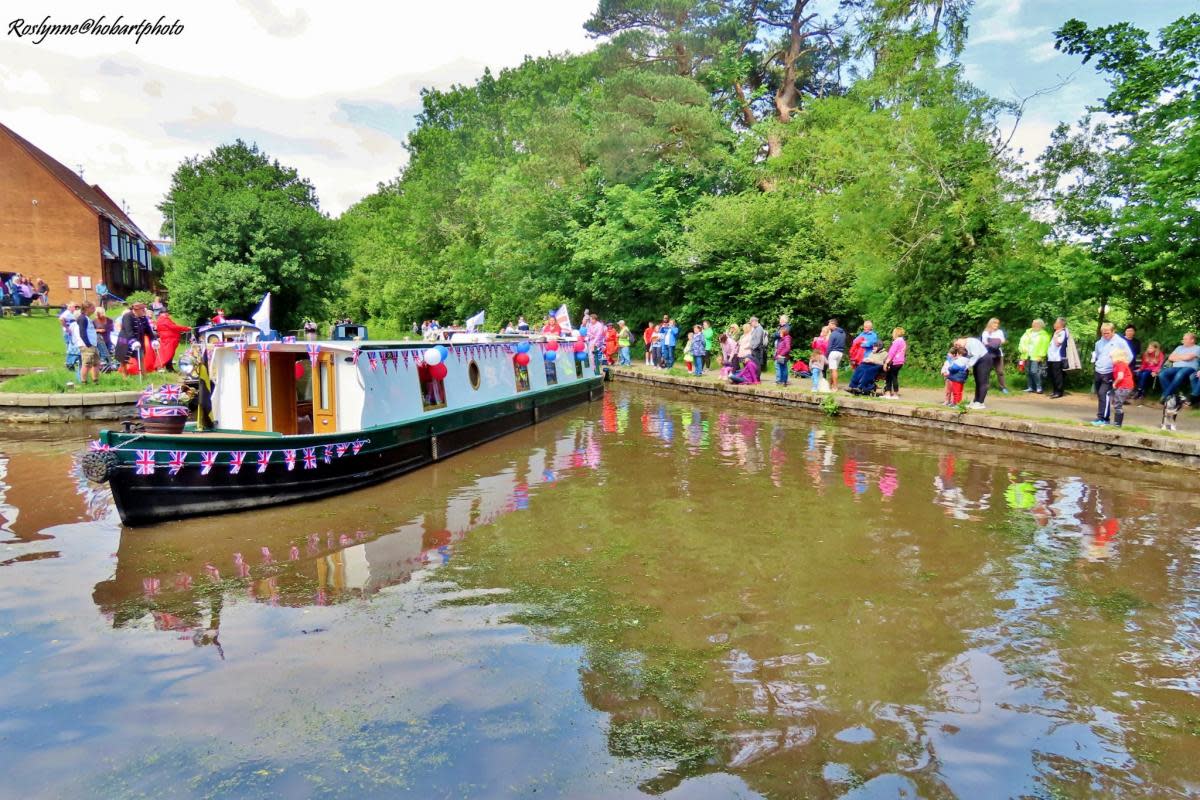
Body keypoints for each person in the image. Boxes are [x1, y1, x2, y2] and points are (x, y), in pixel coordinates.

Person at [1090, 323, 1133, 426]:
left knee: (1103, 393)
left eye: (1107, 333)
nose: (1105, 335)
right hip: (1099, 370)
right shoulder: (1099, 343)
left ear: (1113, 331)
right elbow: (1097, 355)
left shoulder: (1120, 342)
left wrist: (1120, 368)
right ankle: (1103, 416)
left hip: (1109, 372)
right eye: (1103, 333)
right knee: (1100, 395)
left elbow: (1129, 356)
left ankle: (1103, 418)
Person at [1158, 332, 1200, 403]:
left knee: (1180, 374)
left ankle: (1166, 395)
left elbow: (1188, 357)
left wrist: (1178, 357)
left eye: (1185, 339)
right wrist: (1184, 357)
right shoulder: (1179, 347)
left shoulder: (1197, 348)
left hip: (1189, 368)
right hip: (1176, 367)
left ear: (1192, 340)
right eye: (1183, 339)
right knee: (1162, 374)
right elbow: (1170, 358)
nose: (1183, 340)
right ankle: (1173, 396)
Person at [116, 302, 157, 374]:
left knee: (140, 357)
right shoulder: (127, 316)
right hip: (126, 340)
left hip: (138, 340)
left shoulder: (143, 317)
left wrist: (153, 339)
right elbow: (128, 330)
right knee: (124, 359)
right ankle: (125, 377)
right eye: (142, 310)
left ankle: (144, 376)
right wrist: (133, 340)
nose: (144, 311)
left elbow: (148, 330)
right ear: (136, 310)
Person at [1046, 317, 1080, 398]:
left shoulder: (1062, 332)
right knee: (1052, 375)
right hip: (1051, 358)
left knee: (1058, 375)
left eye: (1056, 323)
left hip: (1057, 358)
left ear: (1060, 324)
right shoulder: (1056, 332)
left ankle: (1059, 392)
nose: (1054, 324)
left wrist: (1055, 336)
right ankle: (1054, 390)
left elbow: (1058, 343)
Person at [154, 304, 192, 372]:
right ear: (164, 313)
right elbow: (174, 327)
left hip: (165, 338)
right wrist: (186, 328)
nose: (168, 314)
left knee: (166, 353)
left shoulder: (159, 319)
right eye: (167, 313)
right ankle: (164, 367)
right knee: (169, 354)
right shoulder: (164, 319)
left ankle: (168, 367)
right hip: (169, 339)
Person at [70, 302, 101, 384]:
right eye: (92, 308)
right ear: (87, 308)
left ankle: (95, 381)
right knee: (87, 364)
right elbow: (82, 333)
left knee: (96, 363)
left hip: (93, 345)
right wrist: (88, 344)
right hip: (86, 345)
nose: (94, 310)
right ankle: (84, 382)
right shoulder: (82, 318)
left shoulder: (87, 318)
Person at [1018, 319, 1051, 394]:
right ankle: (1030, 387)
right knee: (1028, 372)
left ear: (1039, 325)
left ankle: (1039, 387)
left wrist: (1042, 356)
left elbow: (1045, 346)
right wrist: (1022, 349)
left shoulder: (1044, 335)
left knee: (1034, 371)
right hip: (1026, 355)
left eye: (1034, 324)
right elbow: (1021, 341)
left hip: (1036, 356)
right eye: (1032, 323)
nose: (1032, 325)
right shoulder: (1027, 332)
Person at [961, 335, 992, 409]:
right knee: (977, 381)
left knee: (982, 381)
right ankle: (975, 400)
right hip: (978, 361)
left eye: (957, 344)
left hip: (984, 360)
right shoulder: (966, 344)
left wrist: (967, 366)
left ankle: (980, 402)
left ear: (961, 339)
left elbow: (976, 355)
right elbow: (969, 357)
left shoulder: (971, 342)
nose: (957, 346)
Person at [981, 318, 1008, 393]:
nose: (996, 325)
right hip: (988, 354)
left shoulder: (1000, 332)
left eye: (997, 323)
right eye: (994, 323)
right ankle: (985, 387)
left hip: (998, 354)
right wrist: (991, 344)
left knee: (1000, 371)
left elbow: (1003, 341)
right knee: (987, 371)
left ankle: (1003, 387)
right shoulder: (986, 332)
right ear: (990, 324)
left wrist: (998, 342)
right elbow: (984, 342)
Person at [1109, 348, 1135, 427]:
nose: (1111, 359)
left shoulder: (1120, 364)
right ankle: (1117, 422)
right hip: (1125, 386)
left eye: (1112, 357)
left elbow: (1120, 376)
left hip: (1124, 386)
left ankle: (1118, 423)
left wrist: (1114, 383)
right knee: (1116, 402)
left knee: (1117, 404)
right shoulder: (1121, 364)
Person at [882, 327, 906, 398]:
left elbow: (892, 353)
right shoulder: (903, 342)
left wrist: (886, 363)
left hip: (894, 362)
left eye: (893, 333)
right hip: (900, 362)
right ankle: (894, 393)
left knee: (889, 376)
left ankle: (889, 393)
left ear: (896, 333)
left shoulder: (896, 342)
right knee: (894, 376)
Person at [826, 319, 846, 392]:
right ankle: (830, 385)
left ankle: (835, 387)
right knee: (833, 369)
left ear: (833, 324)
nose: (828, 326)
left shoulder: (833, 334)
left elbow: (829, 346)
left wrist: (826, 355)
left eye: (829, 324)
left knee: (833, 370)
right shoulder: (843, 333)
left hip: (833, 353)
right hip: (840, 353)